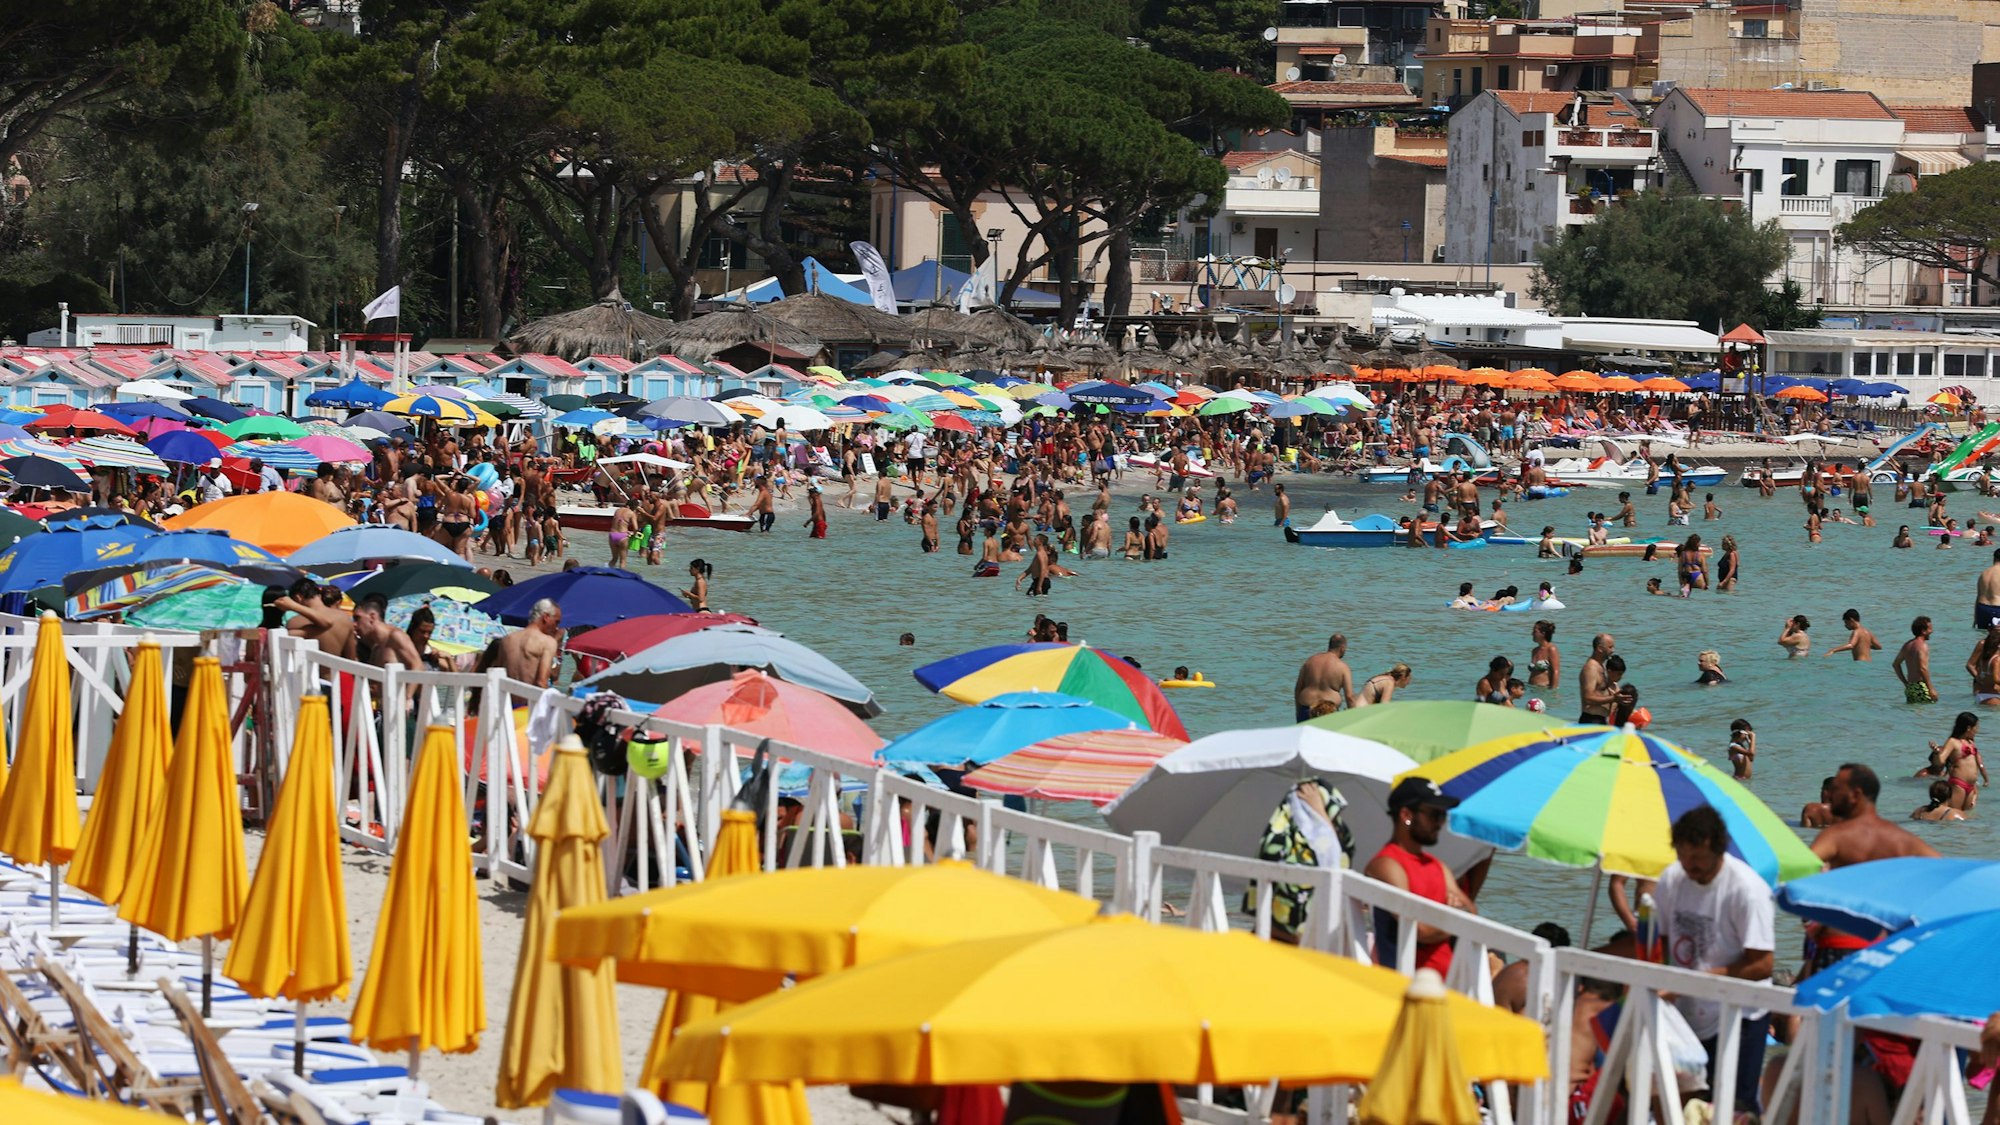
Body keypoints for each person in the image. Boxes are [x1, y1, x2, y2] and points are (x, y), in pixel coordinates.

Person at [1652, 806, 1775, 1116]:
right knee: (1679, 1103)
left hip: (1740, 1013)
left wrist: (1699, 980)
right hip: (1685, 1008)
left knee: (1734, 1109)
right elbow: (1660, 942)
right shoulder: (1672, 878)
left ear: (1719, 850)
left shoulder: (1747, 890)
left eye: (1698, 858)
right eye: (1683, 856)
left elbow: (1763, 965)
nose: (1690, 865)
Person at [1363, 777, 1474, 975]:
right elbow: (1421, 930)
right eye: (1434, 814)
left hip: (1449, 981)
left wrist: (1449, 918)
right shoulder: (1386, 865)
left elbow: (1471, 913)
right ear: (1406, 815)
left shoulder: (1437, 865)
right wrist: (1453, 915)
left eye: (1443, 815)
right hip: (1407, 981)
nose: (1440, 823)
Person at [485, 597, 564, 687]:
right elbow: (542, 682)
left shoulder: (508, 639)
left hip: (506, 694)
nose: (556, 628)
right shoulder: (547, 642)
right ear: (546, 617)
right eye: (556, 622)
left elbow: (498, 673)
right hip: (529, 695)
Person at [1293, 634, 1355, 720]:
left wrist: (1298, 712)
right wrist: (1354, 718)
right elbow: (1349, 697)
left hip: (1306, 710)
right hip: (1328, 712)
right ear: (1342, 648)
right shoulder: (1343, 667)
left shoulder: (1310, 661)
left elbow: (1298, 689)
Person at [1895, 616, 1938, 704]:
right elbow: (1922, 668)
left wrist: (1905, 683)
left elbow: (1896, 664)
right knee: (1927, 711)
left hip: (1910, 687)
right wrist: (1930, 688)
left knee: (1913, 711)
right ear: (1923, 631)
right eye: (1930, 629)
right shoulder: (1922, 646)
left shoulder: (1907, 645)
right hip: (1921, 687)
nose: (1932, 631)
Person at [1576, 633, 1616, 723]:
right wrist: (1613, 699)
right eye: (1610, 647)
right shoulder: (1591, 668)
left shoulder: (1601, 666)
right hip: (1591, 720)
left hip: (1600, 719)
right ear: (1600, 648)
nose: (1613, 650)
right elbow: (1588, 698)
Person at [1528, 620, 1560, 691]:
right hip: (1531, 689)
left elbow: (1556, 672)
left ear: (1543, 633)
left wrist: (1553, 691)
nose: (1532, 634)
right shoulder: (1534, 651)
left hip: (1544, 690)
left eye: (1534, 631)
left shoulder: (1551, 649)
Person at [1979, 547, 2000, 630]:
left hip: (1982, 608)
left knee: (1983, 636)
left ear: (1994, 558)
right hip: (1997, 609)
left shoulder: (1984, 573)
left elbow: (1979, 595)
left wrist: (1976, 617)